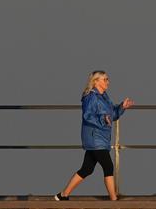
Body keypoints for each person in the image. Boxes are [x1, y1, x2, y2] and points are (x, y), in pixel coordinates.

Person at [54, 70, 133, 200]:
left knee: (87, 169)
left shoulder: (104, 96)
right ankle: (114, 199)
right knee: (108, 166)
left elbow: (112, 115)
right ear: (96, 81)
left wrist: (122, 107)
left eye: (108, 79)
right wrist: (103, 120)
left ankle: (62, 195)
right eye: (105, 79)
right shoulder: (90, 97)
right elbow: (88, 116)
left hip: (101, 138)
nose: (108, 82)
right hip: (95, 138)